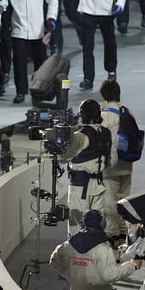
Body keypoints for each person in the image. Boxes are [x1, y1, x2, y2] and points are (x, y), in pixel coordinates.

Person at [3, 0, 59, 104]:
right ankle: (20, 91)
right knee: (19, 62)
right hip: (18, 29)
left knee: (41, 62)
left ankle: (40, 90)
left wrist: (51, 17)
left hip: (38, 29)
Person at [56, 99, 112, 233]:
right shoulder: (105, 133)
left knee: (76, 225)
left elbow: (63, 158)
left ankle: (76, 252)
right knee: (96, 223)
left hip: (80, 187)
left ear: (84, 115)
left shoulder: (80, 136)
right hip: (99, 185)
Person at [99, 80, 135, 240]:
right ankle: (124, 233)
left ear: (104, 96)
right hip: (127, 164)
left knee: (110, 202)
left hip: (110, 167)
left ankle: (112, 235)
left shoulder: (104, 116)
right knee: (124, 200)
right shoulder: (127, 113)